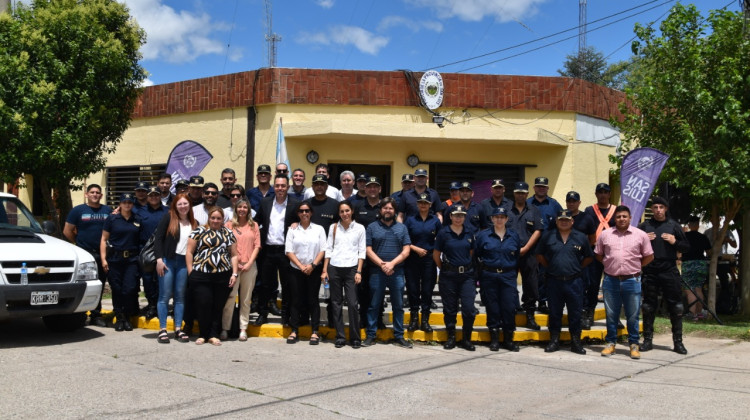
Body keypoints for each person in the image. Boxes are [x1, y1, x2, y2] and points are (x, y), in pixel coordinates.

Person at [595, 205, 654, 359]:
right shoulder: (605, 234)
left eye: (624, 216)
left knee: (633, 314)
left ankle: (634, 345)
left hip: (632, 280)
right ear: (615, 218)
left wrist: (636, 267)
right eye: (618, 216)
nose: (621, 219)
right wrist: (610, 265)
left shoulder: (640, 235)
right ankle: (611, 344)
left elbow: (649, 256)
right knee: (611, 314)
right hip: (610, 280)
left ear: (630, 218)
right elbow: (599, 254)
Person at [536, 210, 594, 355]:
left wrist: (577, 268)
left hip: (574, 282)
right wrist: (549, 267)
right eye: (561, 219)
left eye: (567, 220)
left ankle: (576, 342)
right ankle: (554, 341)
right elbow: (539, 254)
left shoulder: (581, 237)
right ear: (556, 221)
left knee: (575, 313)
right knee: (555, 313)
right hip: (554, 282)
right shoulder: (548, 236)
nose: (564, 222)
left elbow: (589, 257)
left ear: (572, 222)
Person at [639, 197, 690, 355]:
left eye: (661, 207)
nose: (658, 210)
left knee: (676, 306)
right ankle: (647, 341)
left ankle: (678, 342)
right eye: (655, 207)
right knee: (648, 306)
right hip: (650, 270)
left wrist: (675, 242)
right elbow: (632, 246)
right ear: (652, 209)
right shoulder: (644, 226)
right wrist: (643, 240)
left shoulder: (673, 225)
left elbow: (686, 247)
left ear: (666, 208)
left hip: (669, 269)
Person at [186, 206, 239, 346]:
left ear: (223, 220)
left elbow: (234, 255)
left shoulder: (228, 233)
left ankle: (213, 334)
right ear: (209, 218)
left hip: (222, 275)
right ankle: (203, 334)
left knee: (217, 306)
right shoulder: (199, 231)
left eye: (218, 218)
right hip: (201, 275)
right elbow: (189, 252)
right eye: (213, 218)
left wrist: (234, 273)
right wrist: (191, 271)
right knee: (203, 304)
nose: (215, 221)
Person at [363, 197, 412, 348]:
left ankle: (399, 335)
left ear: (395, 211)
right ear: (380, 210)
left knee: (398, 305)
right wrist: (382, 264)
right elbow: (367, 249)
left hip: (396, 271)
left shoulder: (402, 228)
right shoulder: (371, 227)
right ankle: (371, 335)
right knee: (374, 305)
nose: (388, 210)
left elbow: (406, 250)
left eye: (390, 208)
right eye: (385, 208)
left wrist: (391, 264)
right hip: (377, 272)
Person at [253, 174, 300, 325]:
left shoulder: (295, 203)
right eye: (278, 186)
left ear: (288, 187)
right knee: (265, 284)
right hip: (268, 250)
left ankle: (286, 317)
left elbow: (303, 220)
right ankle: (262, 314)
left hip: (286, 251)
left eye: (283, 186)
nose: (280, 189)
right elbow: (257, 221)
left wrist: (297, 224)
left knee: (287, 285)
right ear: (274, 186)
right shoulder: (266, 202)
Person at [63, 184, 112, 327]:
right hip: (86, 254)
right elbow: (67, 230)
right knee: (84, 284)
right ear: (87, 194)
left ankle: (96, 315)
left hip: (103, 254)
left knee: (100, 284)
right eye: (92, 192)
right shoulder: (78, 211)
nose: (95, 195)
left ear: (101, 195)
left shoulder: (107, 210)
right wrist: (78, 243)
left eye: (98, 192)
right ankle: (81, 312)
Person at [153, 193, 197, 343]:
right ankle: (162, 329)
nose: (183, 206)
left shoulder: (194, 222)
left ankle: (178, 328)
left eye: (185, 204)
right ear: (175, 205)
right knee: (164, 296)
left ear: (189, 205)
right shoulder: (169, 217)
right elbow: (158, 238)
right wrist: (159, 259)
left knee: (180, 297)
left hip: (184, 262)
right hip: (168, 260)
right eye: (180, 204)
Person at [322, 201, 366, 348]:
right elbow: (328, 249)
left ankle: (355, 337)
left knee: (353, 303)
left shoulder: (359, 228)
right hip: (334, 267)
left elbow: (362, 251)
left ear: (352, 211)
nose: (345, 214)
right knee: (336, 303)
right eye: (342, 211)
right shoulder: (333, 227)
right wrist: (325, 270)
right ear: (339, 213)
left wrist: (359, 271)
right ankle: (340, 336)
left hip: (352, 268)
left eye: (347, 211)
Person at [476, 207, 521, 352]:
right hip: (489, 276)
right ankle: (494, 339)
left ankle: (509, 339)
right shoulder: (483, 236)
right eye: (497, 217)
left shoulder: (514, 236)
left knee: (509, 307)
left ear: (507, 219)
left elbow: (517, 256)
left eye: (502, 217)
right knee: (492, 307)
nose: (499, 219)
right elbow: (477, 255)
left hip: (508, 276)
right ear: (492, 219)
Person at [434, 205, 477, 351]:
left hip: (467, 276)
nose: (458, 218)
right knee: (450, 309)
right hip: (449, 276)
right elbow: (436, 255)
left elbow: (471, 252)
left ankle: (466, 339)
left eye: (461, 215)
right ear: (450, 217)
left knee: (469, 309)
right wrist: (445, 268)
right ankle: (451, 337)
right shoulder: (443, 233)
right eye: (456, 215)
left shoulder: (469, 232)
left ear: (465, 217)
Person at [284, 201, 327, 344]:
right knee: (295, 300)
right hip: (296, 269)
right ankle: (294, 330)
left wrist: (313, 265)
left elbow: (323, 249)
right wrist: (301, 266)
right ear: (298, 213)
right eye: (301, 211)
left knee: (313, 300)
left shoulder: (319, 229)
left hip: (313, 270)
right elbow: (288, 250)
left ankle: (315, 331)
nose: (304, 213)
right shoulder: (292, 230)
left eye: (307, 210)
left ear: (311, 212)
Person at [100, 193, 142, 332]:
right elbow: (104, 239)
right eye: (124, 202)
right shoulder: (112, 218)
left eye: (130, 202)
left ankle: (127, 316)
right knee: (117, 289)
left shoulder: (137, 219)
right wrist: (103, 259)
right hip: (115, 260)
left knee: (129, 289)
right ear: (120, 204)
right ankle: (119, 317)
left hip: (131, 260)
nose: (127, 204)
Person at [220, 199, 260, 341]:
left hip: (249, 266)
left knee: (245, 299)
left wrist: (249, 263)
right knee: (230, 298)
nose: (242, 209)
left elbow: (257, 246)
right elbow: (224, 246)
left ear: (248, 210)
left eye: (245, 207)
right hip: (233, 268)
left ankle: (243, 328)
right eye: (240, 207)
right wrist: (235, 265)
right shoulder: (228, 225)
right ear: (236, 209)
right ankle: (225, 328)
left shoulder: (253, 225)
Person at [404, 193, 441, 333]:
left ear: (430, 205)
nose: (423, 205)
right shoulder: (410, 220)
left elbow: (441, 239)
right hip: (412, 258)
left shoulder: (435, 221)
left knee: (427, 289)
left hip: (429, 259)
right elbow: (404, 238)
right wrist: (415, 248)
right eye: (421, 203)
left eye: (426, 203)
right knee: (413, 289)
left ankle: (425, 320)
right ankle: (414, 319)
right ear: (417, 204)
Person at [508, 181, 543, 330]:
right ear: (514, 193)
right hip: (509, 254)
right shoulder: (506, 209)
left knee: (531, 286)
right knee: (508, 285)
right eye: (518, 192)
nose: (520, 195)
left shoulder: (534, 210)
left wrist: (526, 247)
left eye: (523, 192)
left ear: (527, 194)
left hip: (529, 254)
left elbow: (538, 230)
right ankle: (509, 317)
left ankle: (530, 316)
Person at [352, 176, 384, 328]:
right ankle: (363, 319)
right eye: (369, 186)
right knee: (362, 289)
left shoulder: (385, 207)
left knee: (378, 289)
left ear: (379, 189)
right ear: (365, 188)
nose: (372, 189)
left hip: (380, 255)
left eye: (375, 186)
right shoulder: (358, 206)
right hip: (361, 256)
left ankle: (379, 319)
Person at [583, 183, 616, 330]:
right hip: (594, 252)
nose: (603, 195)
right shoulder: (589, 210)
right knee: (592, 285)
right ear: (596, 194)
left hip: (612, 253)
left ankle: (614, 316)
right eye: (600, 192)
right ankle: (589, 313)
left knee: (613, 286)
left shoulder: (616, 210)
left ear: (609, 194)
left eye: (605, 192)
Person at [527, 176, 562, 314]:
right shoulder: (527, 203)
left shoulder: (554, 205)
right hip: (530, 246)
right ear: (534, 188)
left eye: (543, 187)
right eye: (538, 186)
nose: (541, 189)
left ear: (547, 188)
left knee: (545, 276)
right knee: (529, 275)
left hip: (548, 248)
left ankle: (543, 301)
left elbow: (562, 223)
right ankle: (529, 302)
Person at [135, 186, 168, 321]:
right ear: (147, 197)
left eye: (156, 195)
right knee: (148, 280)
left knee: (162, 281)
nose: (154, 197)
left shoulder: (168, 211)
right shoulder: (139, 212)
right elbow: (134, 231)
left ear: (160, 196)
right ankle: (152, 305)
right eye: (151, 195)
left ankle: (161, 306)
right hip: (145, 251)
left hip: (163, 250)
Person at [565, 191, 597, 330]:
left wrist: (582, 250)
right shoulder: (562, 216)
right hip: (565, 259)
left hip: (582, 260)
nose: (571, 203)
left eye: (574, 201)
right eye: (569, 201)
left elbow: (592, 238)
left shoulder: (587, 218)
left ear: (579, 202)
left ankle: (584, 316)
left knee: (583, 287)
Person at [682, 216, 711, 320]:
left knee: (689, 289)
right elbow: (709, 252)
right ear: (698, 225)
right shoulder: (703, 237)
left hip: (688, 263)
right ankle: (699, 313)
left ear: (689, 225)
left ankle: (692, 313)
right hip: (701, 264)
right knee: (698, 288)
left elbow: (679, 251)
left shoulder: (684, 236)